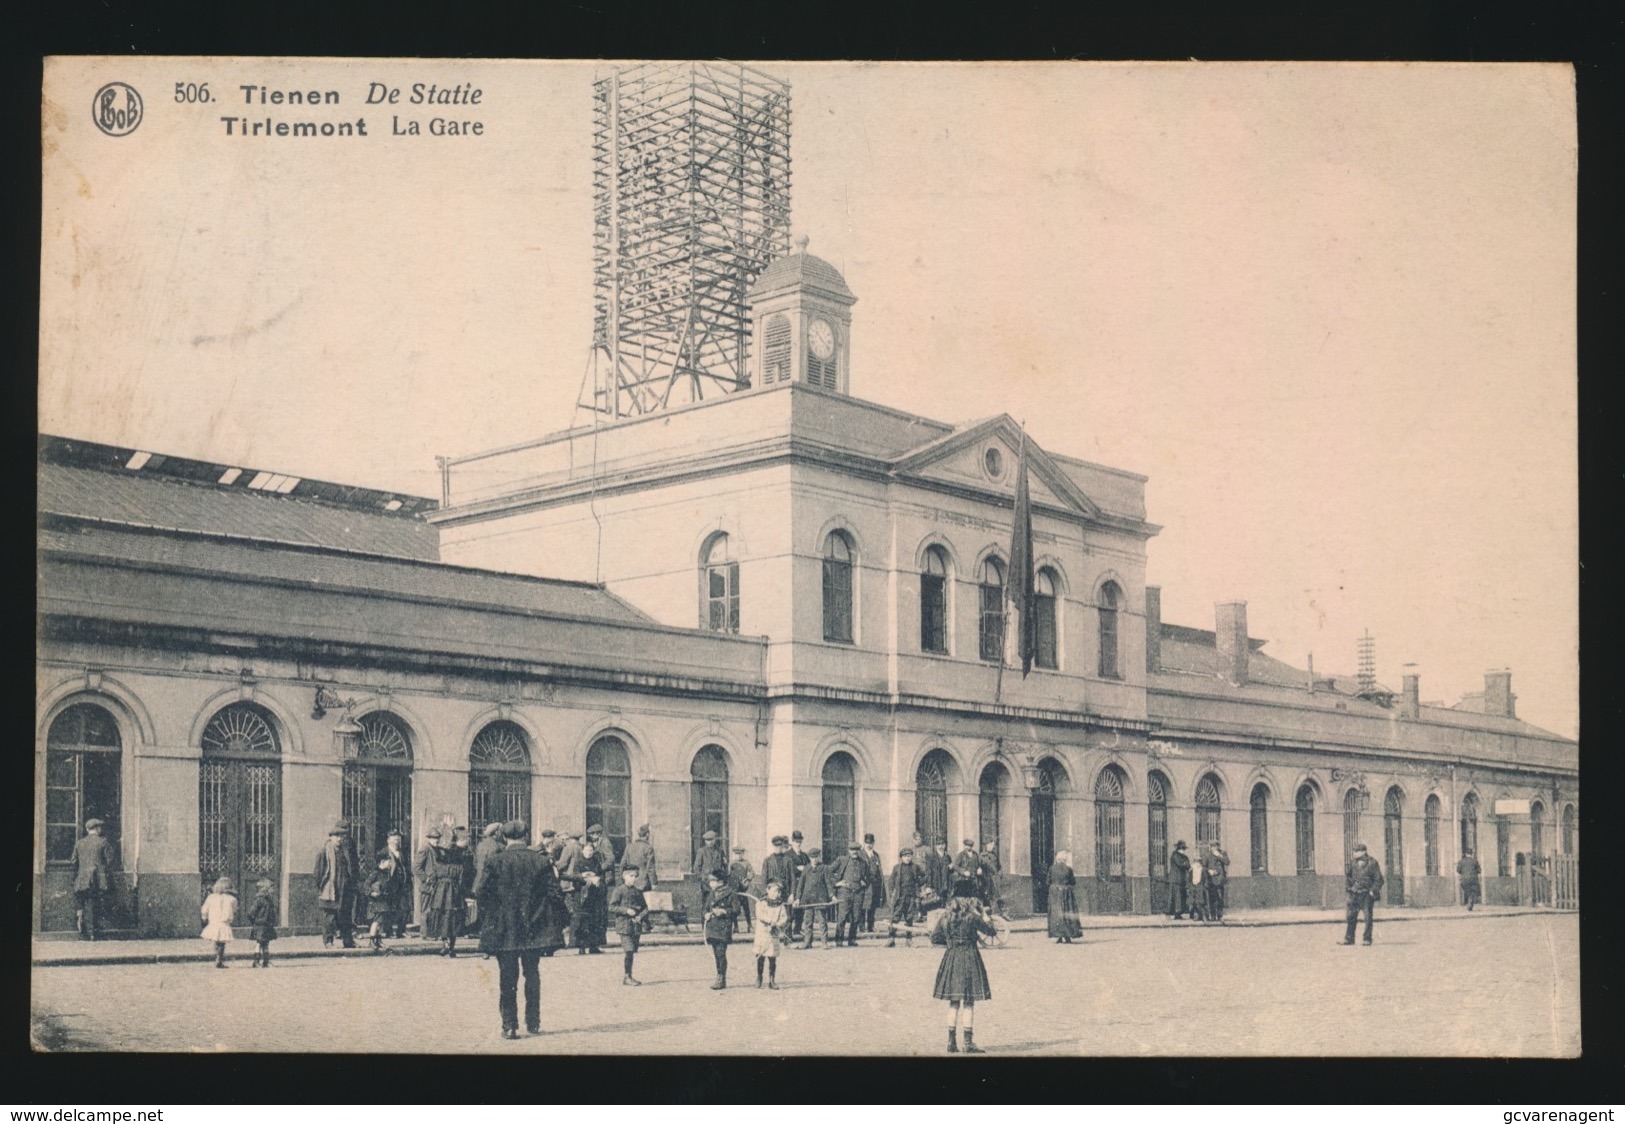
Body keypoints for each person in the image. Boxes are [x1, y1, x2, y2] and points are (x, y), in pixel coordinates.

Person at [473, 820, 551, 1039]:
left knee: (507, 977)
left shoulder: (495, 861)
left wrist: (495, 915)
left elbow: (482, 893)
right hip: (532, 928)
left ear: (504, 838)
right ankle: (533, 1022)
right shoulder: (541, 861)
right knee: (532, 974)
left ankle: (510, 1025)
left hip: (504, 929)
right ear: (525, 837)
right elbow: (553, 894)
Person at [933, 880, 997, 1054]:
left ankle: (951, 1042)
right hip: (970, 957)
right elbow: (992, 931)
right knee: (968, 1002)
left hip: (952, 957)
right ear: (970, 898)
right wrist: (984, 914)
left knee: (953, 1002)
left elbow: (934, 938)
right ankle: (968, 1043)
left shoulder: (946, 916)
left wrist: (950, 942)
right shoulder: (972, 917)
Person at [424, 831, 471, 957]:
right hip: (454, 895)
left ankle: (444, 943)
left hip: (440, 896)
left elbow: (433, 880)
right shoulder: (459, 868)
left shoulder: (438, 867)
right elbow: (462, 883)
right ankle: (451, 947)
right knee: (453, 919)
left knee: (442, 917)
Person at [314, 822, 359, 948]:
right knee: (329, 917)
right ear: (331, 837)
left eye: (342, 836)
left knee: (345, 916)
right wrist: (323, 886)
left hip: (345, 888)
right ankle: (328, 941)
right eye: (337, 836)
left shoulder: (345, 851)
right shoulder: (324, 851)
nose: (339, 839)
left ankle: (348, 941)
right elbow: (318, 873)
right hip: (330, 889)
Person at [71, 818, 115, 941]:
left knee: (85, 904)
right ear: (97, 829)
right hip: (98, 880)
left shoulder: (79, 843)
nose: (101, 830)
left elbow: (74, 861)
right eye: (100, 828)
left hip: (82, 879)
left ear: (87, 829)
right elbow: (110, 861)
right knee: (96, 905)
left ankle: (85, 931)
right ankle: (94, 934)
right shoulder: (103, 842)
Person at [608, 864, 650, 985]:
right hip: (623, 925)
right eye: (631, 876)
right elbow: (612, 907)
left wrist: (640, 916)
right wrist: (626, 910)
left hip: (635, 925)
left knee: (632, 951)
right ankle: (627, 977)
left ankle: (628, 976)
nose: (633, 878)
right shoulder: (619, 890)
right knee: (629, 950)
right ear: (624, 876)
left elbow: (645, 908)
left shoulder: (637, 891)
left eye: (635, 876)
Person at [1342, 842, 1385, 946]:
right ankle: (1349, 938)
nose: (1354, 853)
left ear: (1363, 852)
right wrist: (1349, 888)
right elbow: (1348, 876)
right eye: (1354, 851)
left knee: (1367, 917)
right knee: (1351, 916)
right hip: (1354, 893)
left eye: (1356, 851)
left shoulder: (1372, 862)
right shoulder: (1352, 863)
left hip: (1366, 894)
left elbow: (1379, 879)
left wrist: (1372, 890)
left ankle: (1367, 939)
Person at [794, 848, 836, 950]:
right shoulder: (806, 869)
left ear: (819, 856)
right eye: (812, 857)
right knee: (807, 922)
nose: (814, 859)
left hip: (820, 898)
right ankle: (807, 942)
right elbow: (801, 885)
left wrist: (832, 896)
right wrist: (798, 898)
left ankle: (824, 942)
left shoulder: (824, 868)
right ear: (809, 858)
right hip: (808, 899)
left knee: (822, 921)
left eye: (816, 857)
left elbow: (828, 884)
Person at [751, 879, 790, 989]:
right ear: (767, 890)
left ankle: (772, 980)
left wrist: (777, 923)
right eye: (774, 891)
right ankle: (759, 977)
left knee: (772, 958)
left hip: (773, 934)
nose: (777, 894)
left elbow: (784, 917)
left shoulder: (780, 905)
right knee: (760, 956)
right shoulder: (761, 903)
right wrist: (769, 921)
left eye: (778, 892)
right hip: (762, 934)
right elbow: (759, 915)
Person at [703, 872, 739, 989]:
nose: (710, 883)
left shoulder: (731, 893)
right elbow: (705, 908)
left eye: (713, 880)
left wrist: (724, 911)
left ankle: (721, 978)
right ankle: (719, 976)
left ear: (721, 881)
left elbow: (736, 910)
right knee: (716, 954)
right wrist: (706, 915)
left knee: (721, 953)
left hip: (724, 927)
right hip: (712, 927)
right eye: (710, 880)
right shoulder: (712, 894)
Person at [620, 825, 658, 934]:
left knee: (633, 902)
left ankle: (640, 925)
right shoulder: (648, 848)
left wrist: (623, 879)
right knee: (643, 904)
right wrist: (654, 882)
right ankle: (644, 925)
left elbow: (623, 863)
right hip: (643, 880)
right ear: (647, 835)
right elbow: (650, 867)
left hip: (630, 879)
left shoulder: (629, 846)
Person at [831, 841, 870, 947]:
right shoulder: (841, 860)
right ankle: (839, 940)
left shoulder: (863, 862)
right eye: (852, 850)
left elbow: (869, 876)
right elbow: (828, 872)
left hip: (858, 893)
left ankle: (851, 940)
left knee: (856, 917)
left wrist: (864, 882)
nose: (854, 852)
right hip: (844, 892)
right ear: (848, 850)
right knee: (842, 917)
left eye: (856, 850)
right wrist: (837, 883)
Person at [885, 847, 926, 947]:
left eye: (909, 856)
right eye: (905, 856)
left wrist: (923, 882)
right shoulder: (897, 868)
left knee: (909, 918)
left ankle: (909, 940)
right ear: (901, 858)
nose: (908, 858)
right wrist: (891, 895)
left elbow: (923, 877)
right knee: (895, 918)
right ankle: (891, 938)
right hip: (900, 897)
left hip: (911, 897)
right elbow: (891, 882)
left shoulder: (915, 867)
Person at [363, 854, 403, 952]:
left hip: (384, 900)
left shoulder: (386, 873)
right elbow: (366, 884)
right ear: (382, 862)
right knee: (377, 920)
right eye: (388, 861)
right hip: (377, 901)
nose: (390, 863)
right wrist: (371, 893)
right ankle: (372, 941)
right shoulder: (375, 873)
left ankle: (378, 940)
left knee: (381, 921)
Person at [379, 830, 411, 938]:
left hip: (402, 885)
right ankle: (388, 932)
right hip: (389, 885)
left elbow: (406, 868)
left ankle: (400, 931)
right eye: (394, 838)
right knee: (389, 909)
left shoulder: (403, 853)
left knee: (405, 908)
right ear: (388, 840)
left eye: (398, 839)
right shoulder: (383, 853)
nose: (396, 841)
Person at [201, 876, 238, 968]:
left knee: (217, 941)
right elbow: (234, 910)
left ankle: (218, 958)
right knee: (222, 943)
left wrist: (204, 917)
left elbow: (205, 909)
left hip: (214, 922)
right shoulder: (232, 899)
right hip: (224, 923)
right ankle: (219, 959)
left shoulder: (211, 897)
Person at [1047, 849, 1083, 943]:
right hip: (1066, 893)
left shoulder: (1052, 868)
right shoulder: (1069, 869)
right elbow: (1073, 882)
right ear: (1065, 859)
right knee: (1067, 912)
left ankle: (1059, 936)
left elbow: (1048, 881)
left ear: (1057, 858)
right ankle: (1068, 936)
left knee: (1056, 914)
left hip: (1055, 893)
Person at [572, 867, 608, 955]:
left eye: (591, 851)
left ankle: (594, 946)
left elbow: (602, 879)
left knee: (595, 922)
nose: (589, 852)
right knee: (583, 923)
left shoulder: (596, 863)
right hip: (582, 901)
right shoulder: (578, 863)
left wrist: (598, 881)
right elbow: (574, 881)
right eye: (587, 851)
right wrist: (583, 877)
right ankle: (582, 947)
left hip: (594, 899)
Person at [412, 827, 440, 937]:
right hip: (427, 886)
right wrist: (426, 878)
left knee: (433, 910)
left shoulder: (437, 850)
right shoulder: (425, 849)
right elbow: (416, 868)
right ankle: (425, 933)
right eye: (433, 838)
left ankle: (431, 932)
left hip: (435, 885)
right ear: (429, 838)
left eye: (437, 838)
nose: (436, 840)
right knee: (426, 910)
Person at [691, 829, 728, 909]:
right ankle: (704, 920)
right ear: (705, 841)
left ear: (715, 839)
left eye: (712, 840)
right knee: (706, 906)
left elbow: (725, 865)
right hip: (707, 884)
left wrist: (723, 877)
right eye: (707, 840)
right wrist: (707, 877)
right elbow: (696, 869)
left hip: (719, 883)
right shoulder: (701, 851)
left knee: (719, 906)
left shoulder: (720, 851)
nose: (710, 842)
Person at [246, 877, 278, 968]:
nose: (273, 890)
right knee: (259, 943)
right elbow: (251, 913)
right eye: (271, 888)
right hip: (261, 925)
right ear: (266, 889)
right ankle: (256, 961)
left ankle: (266, 961)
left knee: (266, 944)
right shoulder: (259, 900)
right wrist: (255, 922)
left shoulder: (269, 900)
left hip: (267, 925)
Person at [860, 833, 886, 932]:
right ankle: (861, 927)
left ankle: (870, 926)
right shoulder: (860, 854)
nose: (868, 845)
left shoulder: (876, 855)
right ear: (864, 843)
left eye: (870, 843)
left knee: (872, 906)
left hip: (875, 884)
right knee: (863, 906)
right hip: (864, 885)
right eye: (867, 843)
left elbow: (879, 870)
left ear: (874, 843)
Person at [788, 831, 811, 937]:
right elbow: (790, 869)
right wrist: (800, 869)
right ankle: (788, 932)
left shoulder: (804, 855)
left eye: (800, 841)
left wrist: (802, 869)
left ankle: (797, 928)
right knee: (791, 909)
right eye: (796, 841)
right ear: (792, 841)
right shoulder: (788, 855)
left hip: (802, 885)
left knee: (801, 908)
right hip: (793, 884)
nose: (798, 844)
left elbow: (808, 868)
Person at [729, 846, 755, 934]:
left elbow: (752, 873)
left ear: (742, 854)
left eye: (740, 854)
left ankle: (749, 925)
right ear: (734, 854)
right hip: (734, 889)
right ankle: (735, 927)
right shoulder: (732, 863)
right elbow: (728, 874)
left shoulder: (746, 863)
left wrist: (747, 879)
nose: (738, 856)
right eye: (737, 854)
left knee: (746, 908)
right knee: (734, 908)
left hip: (743, 888)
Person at [1204, 841, 1230, 922]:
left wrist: (1219, 855)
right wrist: (1209, 871)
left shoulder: (1222, 853)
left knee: (1220, 898)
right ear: (1210, 847)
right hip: (1211, 880)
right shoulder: (1207, 854)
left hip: (1220, 879)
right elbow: (1203, 866)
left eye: (1215, 846)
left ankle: (1220, 915)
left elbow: (1227, 862)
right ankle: (1212, 915)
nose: (1214, 848)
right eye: (1212, 846)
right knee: (1212, 898)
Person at [1167, 841, 1192, 920]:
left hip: (1182, 879)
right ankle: (1174, 913)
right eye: (1181, 848)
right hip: (1175, 879)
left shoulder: (1184, 857)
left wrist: (1185, 864)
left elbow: (1188, 865)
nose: (1183, 850)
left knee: (1181, 897)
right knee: (1176, 897)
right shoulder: (1175, 855)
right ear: (1178, 849)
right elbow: (1181, 864)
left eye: (1184, 849)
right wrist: (1185, 864)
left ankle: (1179, 913)